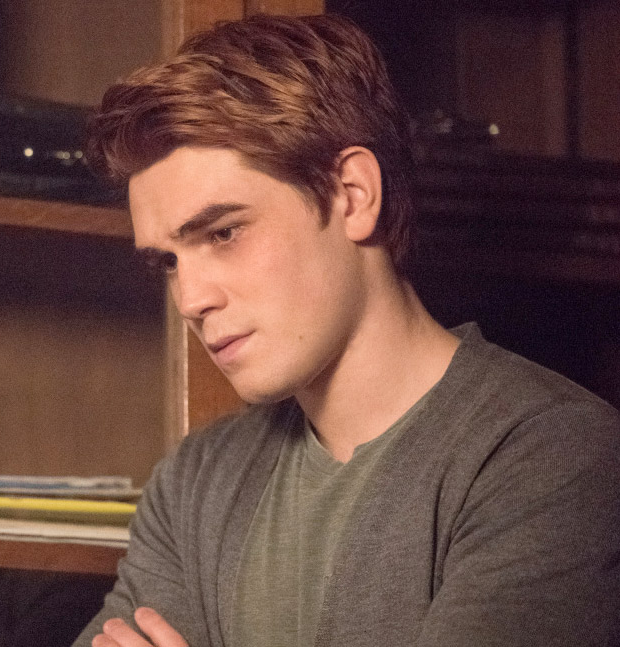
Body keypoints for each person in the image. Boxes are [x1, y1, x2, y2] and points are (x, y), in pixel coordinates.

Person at [74, 13, 620, 647]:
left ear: (353, 194)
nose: (191, 299)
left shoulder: (550, 456)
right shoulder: (196, 483)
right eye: (169, 262)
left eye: (223, 233)